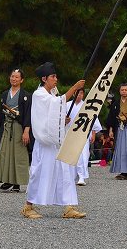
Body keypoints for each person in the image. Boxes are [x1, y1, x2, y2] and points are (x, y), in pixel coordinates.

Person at [21, 62, 85, 219]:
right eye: (53, 76)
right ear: (44, 79)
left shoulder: (52, 95)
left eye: (56, 76)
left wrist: (61, 120)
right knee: (39, 172)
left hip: (56, 142)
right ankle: (28, 206)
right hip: (45, 143)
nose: (56, 79)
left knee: (64, 172)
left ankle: (69, 207)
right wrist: (75, 88)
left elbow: (53, 112)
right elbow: (57, 104)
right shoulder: (39, 94)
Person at [0, 68, 32, 193]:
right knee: (5, 153)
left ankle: (17, 183)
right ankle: (7, 180)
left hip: (19, 127)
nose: (14, 79)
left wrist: (26, 131)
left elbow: (28, 114)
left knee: (18, 154)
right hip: (6, 126)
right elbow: (0, 113)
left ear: (22, 80)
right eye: (12, 76)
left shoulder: (26, 95)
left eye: (16, 77)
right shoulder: (4, 94)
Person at [67, 89, 102, 186]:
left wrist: (93, 133)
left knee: (83, 155)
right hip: (70, 133)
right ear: (74, 93)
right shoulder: (67, 105)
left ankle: (81, 176)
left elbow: (93, 120)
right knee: (71, 154)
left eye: (81, 93)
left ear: (83, 95)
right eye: (77, 93)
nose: (79, 95)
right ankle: (71, 176)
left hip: (83, 133)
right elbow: (62, 119)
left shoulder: (88, 106)